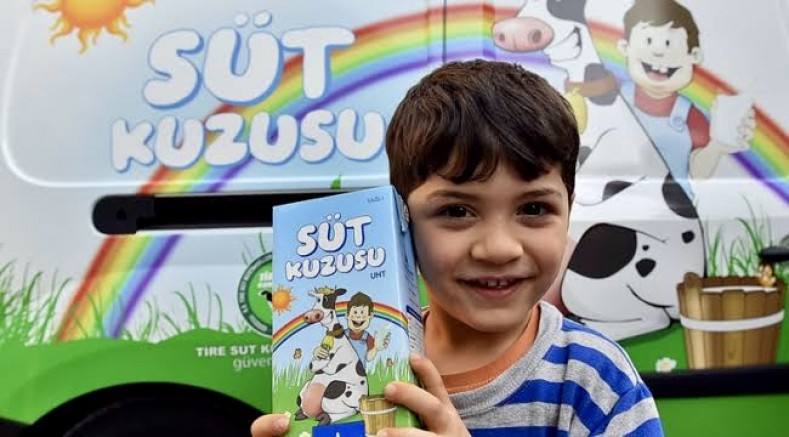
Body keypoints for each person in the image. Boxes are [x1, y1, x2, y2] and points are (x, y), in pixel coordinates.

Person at [252, 60, 663, 436]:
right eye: (457, 211)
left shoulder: (596, 381)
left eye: (534, 208)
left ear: (568, 212)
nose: (498, 248)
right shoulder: (374, 368)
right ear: (401, 221)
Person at [618, 0, 754, 199]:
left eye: (668, 43)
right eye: (649, 40)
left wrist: (716, 147)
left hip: (675, 207)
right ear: (625, 47)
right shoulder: (614, 98)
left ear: (694, 55)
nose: (658, 52)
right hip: (619, 200)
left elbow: (698, 173)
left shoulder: (691, 117)